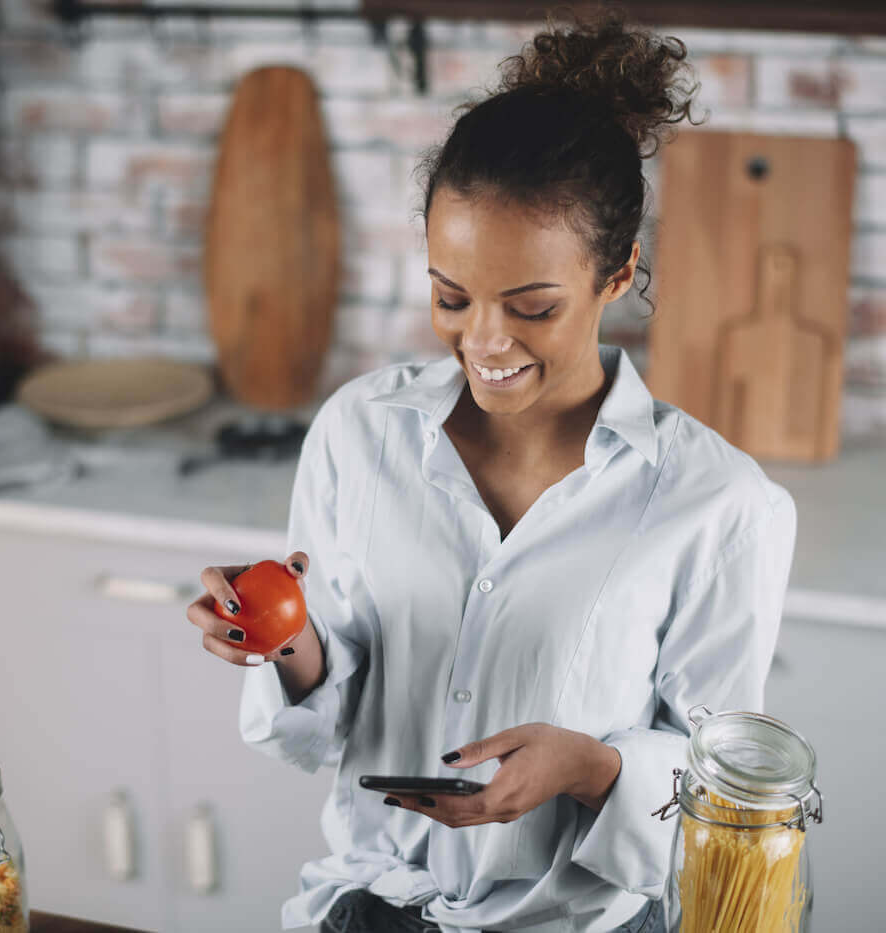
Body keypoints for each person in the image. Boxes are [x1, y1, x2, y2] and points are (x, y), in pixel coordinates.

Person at [184, 12, 796, 933]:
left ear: (618, 272)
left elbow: (723, 792)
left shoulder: (721, 503)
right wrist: (283, 640)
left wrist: (593, 766)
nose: (485, 340)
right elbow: (321, 716)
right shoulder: (361, 431)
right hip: (371, 906)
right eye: (451, 296)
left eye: (532, 306)